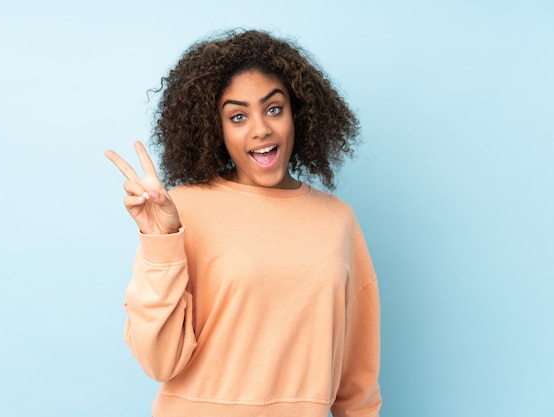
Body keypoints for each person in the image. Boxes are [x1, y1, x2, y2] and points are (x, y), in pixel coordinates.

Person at [105, 29, 381, 417]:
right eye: (238, 116)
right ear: (216, 130)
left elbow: (358, 384)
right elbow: (158, 362)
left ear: (297, 112)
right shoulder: (182, 210)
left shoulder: (338, 221)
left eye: (273, 109)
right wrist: (160, 239)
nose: (260, 129)